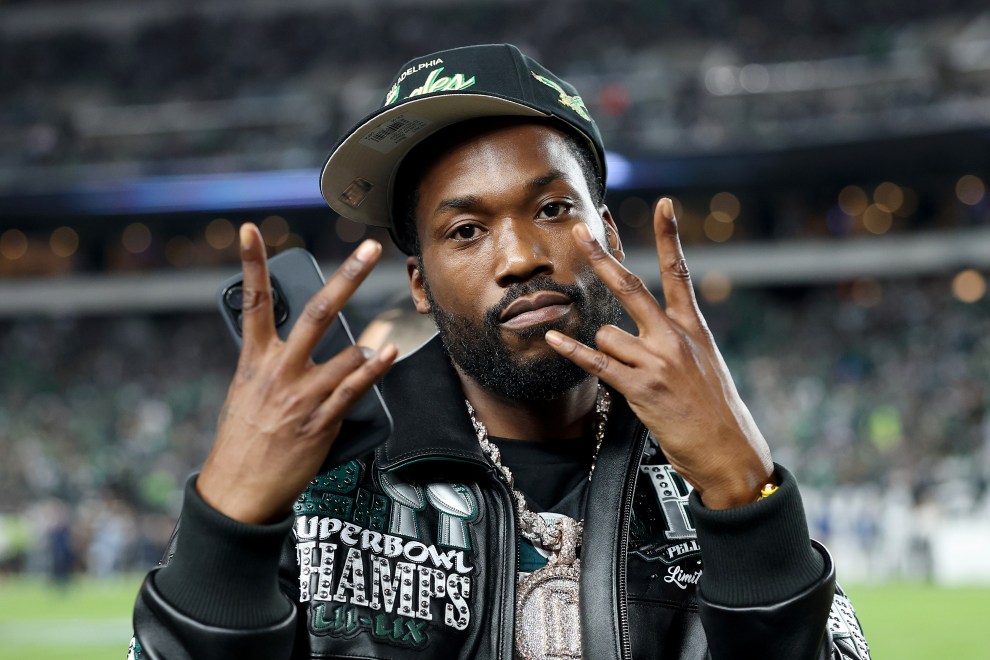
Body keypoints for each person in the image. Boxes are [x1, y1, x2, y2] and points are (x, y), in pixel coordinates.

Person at [130, 44, 870, 660]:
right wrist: (221, 533)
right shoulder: (317, 482)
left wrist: (747, 503)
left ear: (609, 236)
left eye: (552, 209)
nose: (519, 257)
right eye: (465, 230)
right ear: (418, 281)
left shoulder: (717, 460)